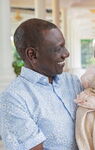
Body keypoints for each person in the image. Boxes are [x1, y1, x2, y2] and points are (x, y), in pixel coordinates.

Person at [0, 18, 83, 149]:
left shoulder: (72, 81)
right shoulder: (14, 98)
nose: (66, 53)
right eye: (58, 49)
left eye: (64, 46)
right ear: (32, 55)